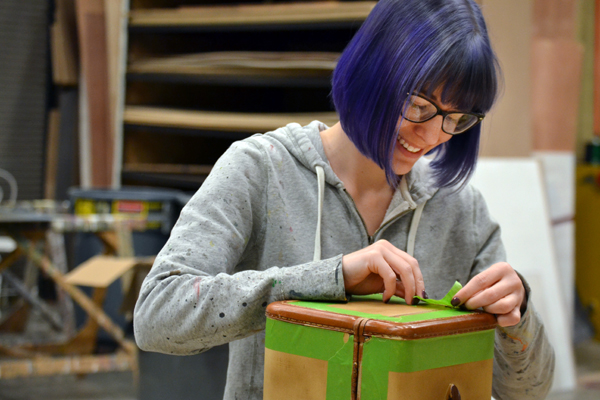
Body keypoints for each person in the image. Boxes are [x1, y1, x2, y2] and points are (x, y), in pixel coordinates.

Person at [134, 0, 555, 398]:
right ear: (372, 75)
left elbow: (526, 390)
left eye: (456, 117)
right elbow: (157, 317)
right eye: (418, 105)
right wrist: (329, 280)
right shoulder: (261, 170)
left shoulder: (461, 211)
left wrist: (516, 317)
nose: (431, 137)